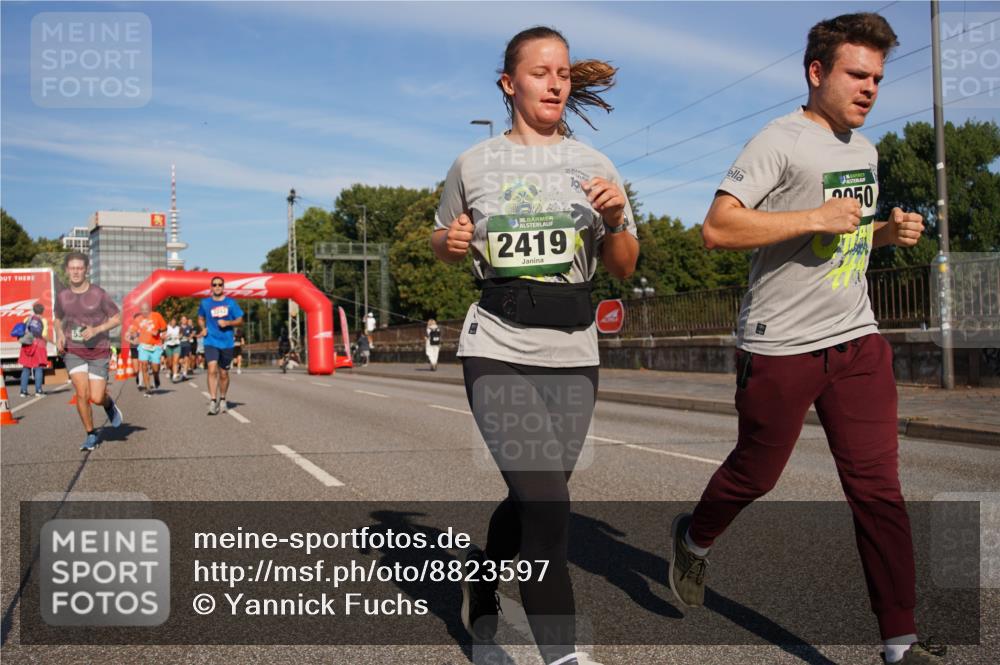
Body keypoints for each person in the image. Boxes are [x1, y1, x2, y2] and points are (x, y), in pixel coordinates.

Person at [667, 13, 943, 665]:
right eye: (857, 73)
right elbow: (717, 228)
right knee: (755, 472)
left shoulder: (866, 150)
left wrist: (883, 235)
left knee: (877, 487)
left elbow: (838, 238)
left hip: (857, 341)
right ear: (816, 72)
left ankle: (899, 642)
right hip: (780, 345)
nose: (870, 87)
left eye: (877, 76)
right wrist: (814, 214)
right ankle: (695, 537)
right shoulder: (780, 140)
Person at [432, 26, 638, 665]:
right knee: (550, 506)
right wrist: (454, 243)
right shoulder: (475, 163)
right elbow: (442, 238)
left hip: (574, 351)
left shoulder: (595, 166)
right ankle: (562, 654)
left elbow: (626, 265)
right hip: (496, 342)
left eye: (564, 73)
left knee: (534, 497)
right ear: (509, 83)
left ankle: (482, 578)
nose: (555, 83)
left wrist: (613, 219)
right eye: (542, 71)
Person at [53, 251, 124, 452]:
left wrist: (96, 329)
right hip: (74, 351)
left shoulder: (98, 294)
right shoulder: (63, 296)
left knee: (96, 397)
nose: (76, 272)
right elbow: (57, 318)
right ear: (67, 270)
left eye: (79, 268)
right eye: (72, 268)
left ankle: (108, 403)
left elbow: (117, 318)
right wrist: (59, 333)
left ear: (86, 270)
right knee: (82, 393)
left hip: (98, 351)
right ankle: (91, 434)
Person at [198, 276, 244, 415]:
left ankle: (222, 399)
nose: (217, 287)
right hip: (210, 341)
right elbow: (200, 318)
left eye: (220, 285)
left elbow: (240, 320)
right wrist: (203, 328)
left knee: (223, 373)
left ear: (223, 287)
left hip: (226, 342)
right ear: (211, 287)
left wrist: (228, 323)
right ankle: (213, 401)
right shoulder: (205, 303)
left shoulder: (231, 303)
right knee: (211, 369)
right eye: (214, 284)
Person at [129, 302, 167, 396]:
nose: (144, 312)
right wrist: (134, 336)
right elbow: (133, 331)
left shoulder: (157, 316)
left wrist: (158, 331)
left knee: (155, 368)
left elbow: (164, 328)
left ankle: (156, 376)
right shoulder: (138, 319)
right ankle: (148, 387)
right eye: (142, 310)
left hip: (155, 346)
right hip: (143, 346)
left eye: (146, 310)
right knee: (144, 365)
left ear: (150, 309)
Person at [18, 302, 49, 397]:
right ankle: (38, 390)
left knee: (26, 368)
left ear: (34, 310)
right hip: (38, 346)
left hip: (26, 345)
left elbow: (23, 331)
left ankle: (23, 391)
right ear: (42, 311)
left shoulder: (27, 319)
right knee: (38, 368)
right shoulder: (43, 321)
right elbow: (43, 335)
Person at [163, 317, 182, 382]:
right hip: (169, 346)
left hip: (177, 345)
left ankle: (175, 375)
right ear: (170, 322)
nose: (174, 322)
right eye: (172, 321)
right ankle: (170, 370)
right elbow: (162, 336)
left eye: (175, 321)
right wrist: (167, 336)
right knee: (170, 363)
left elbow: (181, 335)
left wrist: (180, 336)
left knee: (175, 361)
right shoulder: (167, 327)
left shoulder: (178, 328)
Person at [179, 315, 194, 379]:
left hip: (187, 344)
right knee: (180, 360)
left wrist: (190, 337)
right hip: (180, 344)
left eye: (185, 319)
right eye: (183, 319)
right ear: (181, 320)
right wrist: (180, 336)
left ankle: (184, 373)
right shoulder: (179, 328)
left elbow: (192, 333)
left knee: (186, 358)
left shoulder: (189, 327)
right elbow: (177, 336)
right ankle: (182, 367)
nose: (184, 320)